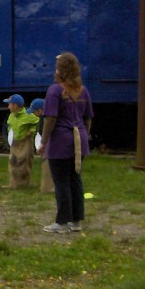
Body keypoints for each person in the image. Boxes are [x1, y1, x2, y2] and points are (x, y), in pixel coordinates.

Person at [38, 52, 94, 233]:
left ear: (60, 70)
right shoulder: (83, 90)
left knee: (61, 181)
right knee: (75, 179)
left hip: (61, 140)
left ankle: (61, 222)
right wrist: (85, 135)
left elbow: (50, 119)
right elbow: (88, 118)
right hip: (80, 139)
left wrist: (44, 142)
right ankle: (76, 221)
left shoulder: (55, 90)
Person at [5, 93, 41, 189]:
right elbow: (10, 126)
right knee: (12, 162)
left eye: (9, 104)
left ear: (15, 106)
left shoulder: (28, 115)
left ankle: (23, 184)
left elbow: (37, 121)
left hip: (24, 142)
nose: (8, 106)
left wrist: (31, 131)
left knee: (23, 162)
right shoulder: (12, 116)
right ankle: (13, 184)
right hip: (14, 142)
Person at [29, 98, 55, 194]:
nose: (33, 114)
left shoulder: (46, 120)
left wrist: (42, 145)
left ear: (40, 110)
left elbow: (46, 134)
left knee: (47, 164)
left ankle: (48, 187)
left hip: (49, 146)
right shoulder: (42, 119)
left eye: (34, 111)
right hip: (47, 144)